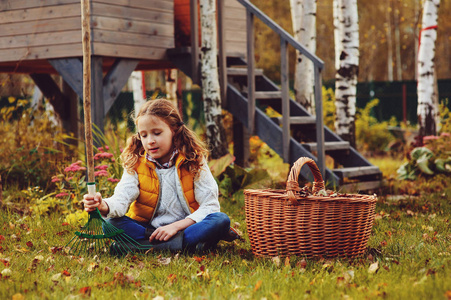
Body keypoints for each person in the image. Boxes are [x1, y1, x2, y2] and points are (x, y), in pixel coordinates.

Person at [82, 98, 239, 253]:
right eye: (143, 135)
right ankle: (184, 246)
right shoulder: (135, 163)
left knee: (220, 220)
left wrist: (175, 227)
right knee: (109, 224)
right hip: (148, 230)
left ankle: (139, 247)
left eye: (156, 133)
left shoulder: (193, 160)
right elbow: (121, 198)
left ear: (174, 130)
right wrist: (103, 205)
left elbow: (210, 206)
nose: (150, 141)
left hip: (187, 227)